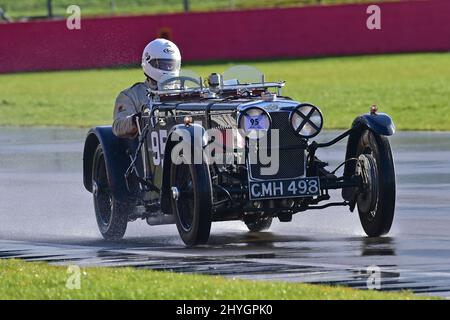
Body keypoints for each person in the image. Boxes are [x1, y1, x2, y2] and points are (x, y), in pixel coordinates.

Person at [112, 38, 181, 138]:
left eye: (171, 65)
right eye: (163, 65)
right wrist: (138, 120)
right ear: (148, 62)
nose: (168, 69)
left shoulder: (185, 92)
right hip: (146, 147)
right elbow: (118, 126)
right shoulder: (131, 95)